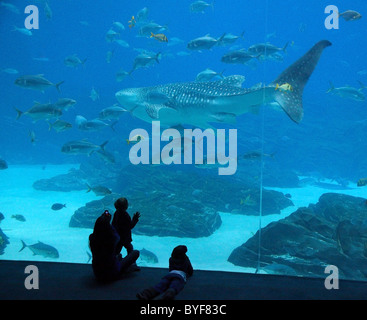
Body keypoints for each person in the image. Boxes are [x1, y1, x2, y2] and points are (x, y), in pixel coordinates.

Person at [89, 210, 139, 281]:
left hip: (97, 273)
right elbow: (117, 236)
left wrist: (104, 221)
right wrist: (108, 222)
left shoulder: (92, 238)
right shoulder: (111, 239)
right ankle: (125, 269)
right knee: (136, 253)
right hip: (112, 273)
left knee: (119, 256)